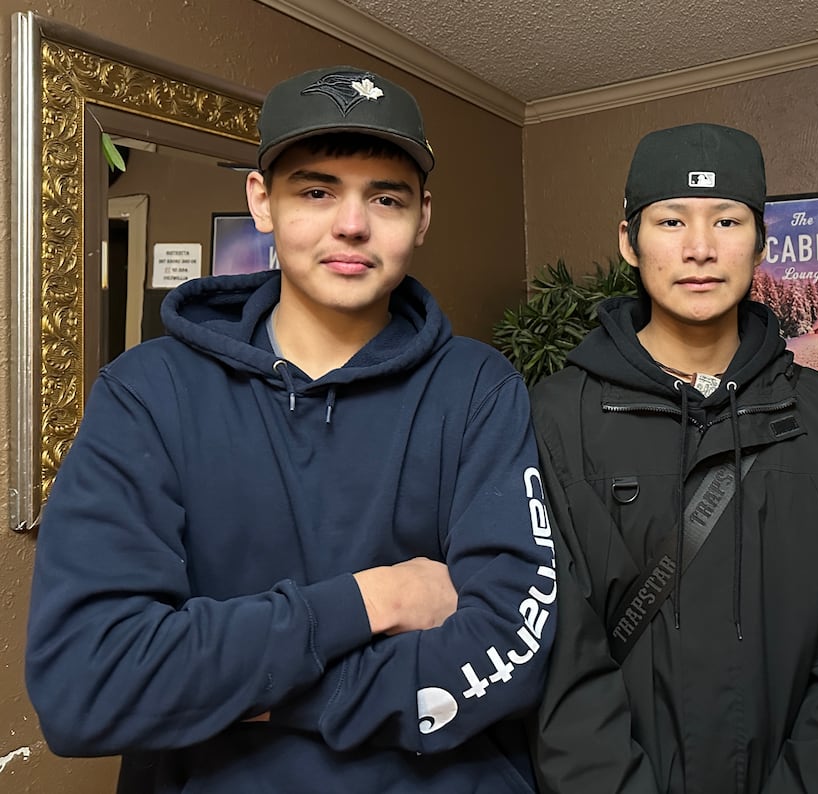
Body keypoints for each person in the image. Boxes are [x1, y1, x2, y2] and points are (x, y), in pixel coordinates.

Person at [25, 65, 556, 793]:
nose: (352, 224)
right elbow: (89, 687)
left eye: (387, 197)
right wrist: (378, 598)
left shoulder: (478, 388)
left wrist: (258, 691)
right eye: (316, 190)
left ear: (422, 217)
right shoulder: (147, 394)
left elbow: (511, 654)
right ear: (261, 201)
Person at [531, 122, 818, 793]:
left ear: (762, 242)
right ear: (629, 242)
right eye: (670, 221)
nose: (699, 248)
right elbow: (559, 654)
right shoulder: (558, 414)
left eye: (726, 220)